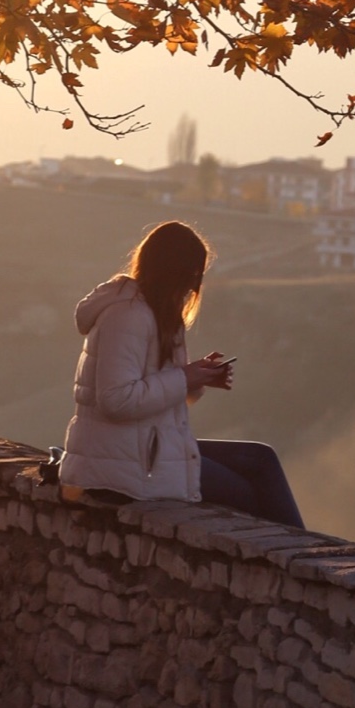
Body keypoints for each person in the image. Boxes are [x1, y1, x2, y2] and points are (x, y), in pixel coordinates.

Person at [58, 220, 305, 528]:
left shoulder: (159, 315)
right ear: (171, 271)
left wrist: (198, 379)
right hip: (121, 464)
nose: (193, 286)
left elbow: (160, 398)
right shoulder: (127, 316)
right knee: (250, 495)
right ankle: (303, 566)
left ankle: (307, 558)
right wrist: (184, 378)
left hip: (143, 448)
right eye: (191, 275)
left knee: (260, 459)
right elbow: (115, 401)